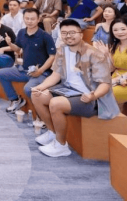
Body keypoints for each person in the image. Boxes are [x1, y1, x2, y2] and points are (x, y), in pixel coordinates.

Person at [30, 19, 118, 158]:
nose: (68, 36)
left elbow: (105, 84)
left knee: (55, 103)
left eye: (72, 32)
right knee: (37, 95)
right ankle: (53, 132)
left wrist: (93, 96)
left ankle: (61, 145)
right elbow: (56, 74)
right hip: (68, 90)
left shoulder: (94, 54)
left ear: (81, 34)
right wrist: (40, 87)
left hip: (90, 97)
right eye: (64, 33)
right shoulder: (62, 50)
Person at [0, 8, 57, 113]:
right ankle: (15, 100)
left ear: (38, 19)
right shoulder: (21, 32)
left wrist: (40, 71)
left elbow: (52, 56)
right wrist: (10, 44)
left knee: (28, 89)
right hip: (24, 70)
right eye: (27, 18)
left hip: (41, 73)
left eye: (32, 19)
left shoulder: (45, 36)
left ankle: (40, 113)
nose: (29, 21)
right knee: (1, 73)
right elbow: (18, 49)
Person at [92, 18, 127, 122]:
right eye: (115, 30)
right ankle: (109, 122)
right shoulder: (114, 47)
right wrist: (106, 54)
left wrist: (116, 80)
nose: (119, 32)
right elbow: (112, 68)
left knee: (106, 94)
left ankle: (112, 122)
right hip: (116, 78)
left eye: (123, 29)